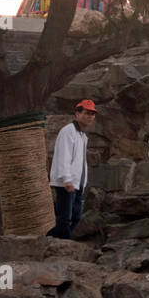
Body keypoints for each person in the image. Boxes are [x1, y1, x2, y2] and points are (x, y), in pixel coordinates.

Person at [48, 98, 96, 239]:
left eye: (92, 114)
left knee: (75, 216)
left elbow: (80, 163)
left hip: (77, 184)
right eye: (87, 113)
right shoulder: (68, 131)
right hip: (66, 183)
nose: (90, 116)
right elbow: (64, 156)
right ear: (77, 113)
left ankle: (51, 238)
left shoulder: (82, 135)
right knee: (65, 217)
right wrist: (67, 180)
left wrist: (82, 183)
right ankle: (63, 246)